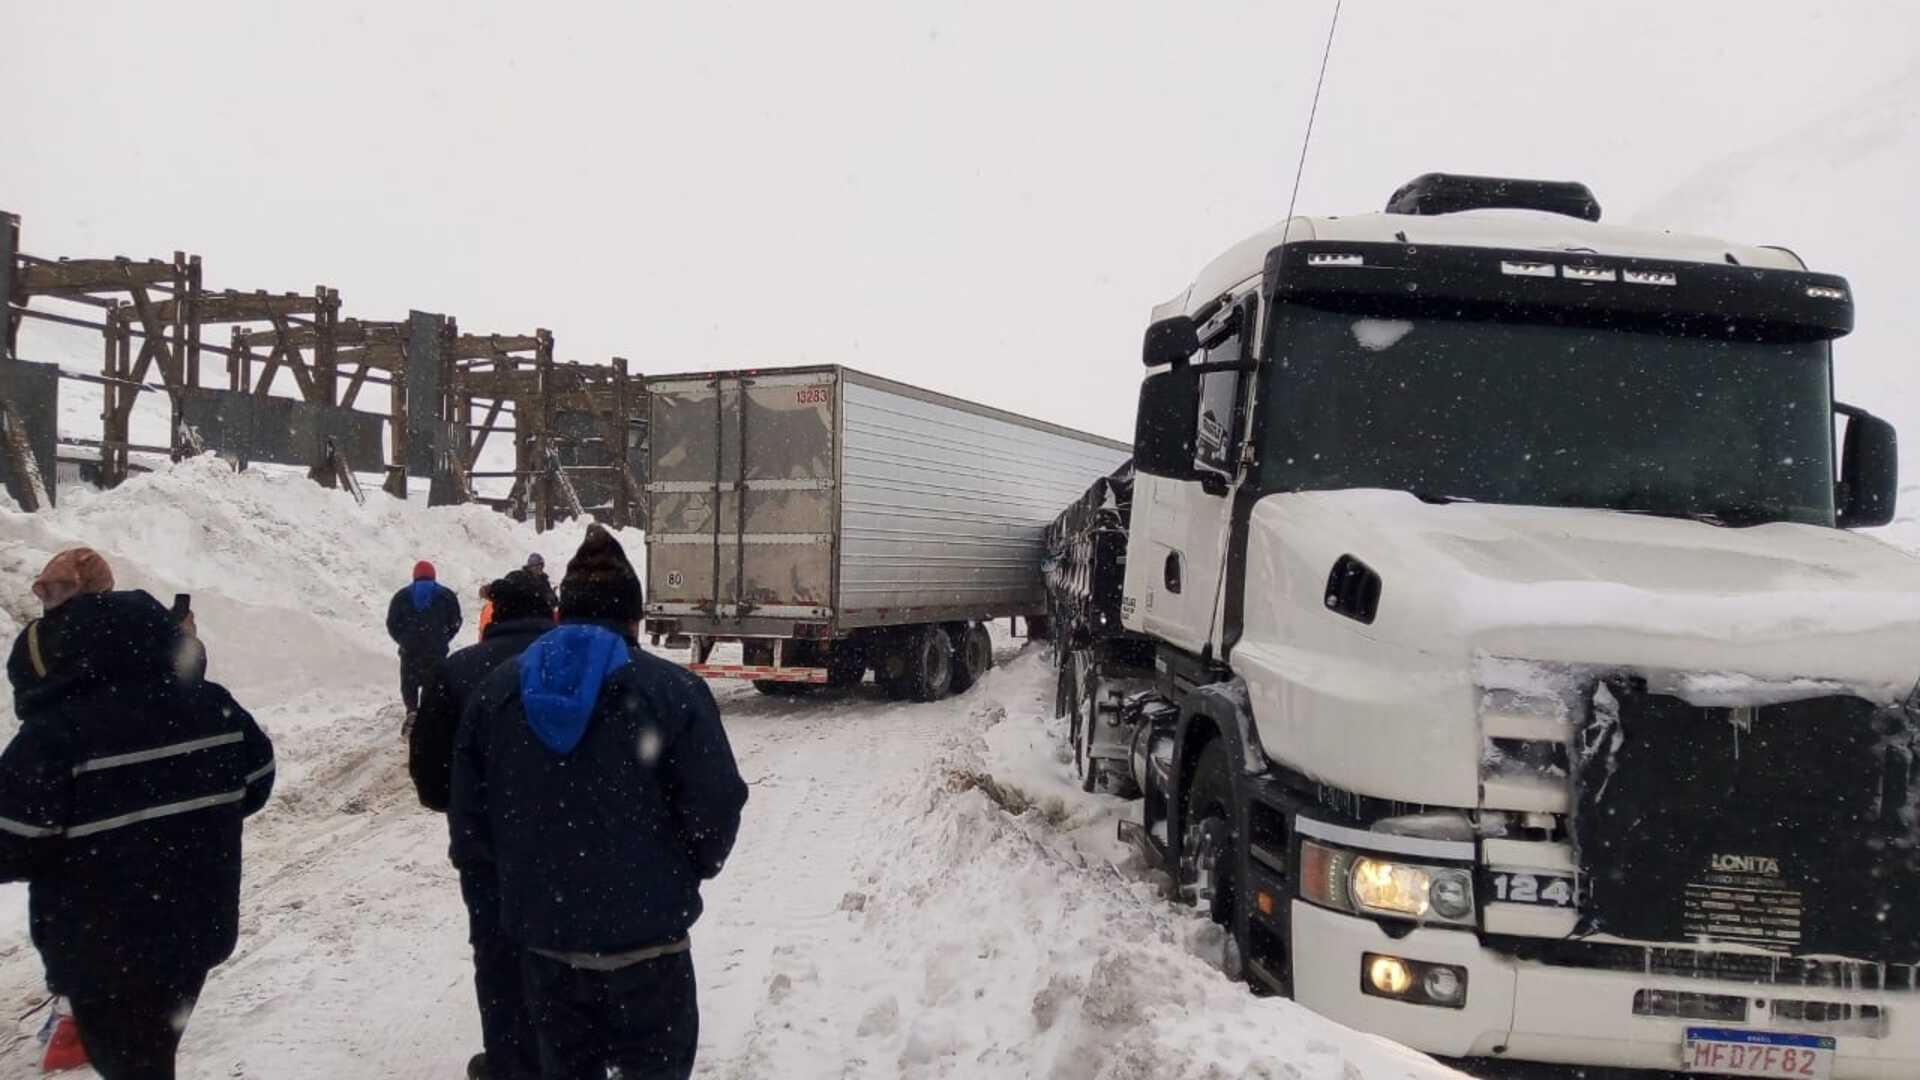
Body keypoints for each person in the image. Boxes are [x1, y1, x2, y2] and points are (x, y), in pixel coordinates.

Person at [452, 526, 746, 1080]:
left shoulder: (498, 693)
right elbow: (717, 804)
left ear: (561, 615)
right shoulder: (673, 691)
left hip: (547, 950)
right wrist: (681, 872)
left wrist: (517, 889)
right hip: (650, 949)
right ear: (633, 621)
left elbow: (470, 823)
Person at [0, 549, 275, 1080]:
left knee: (134, 1062)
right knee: (152, 1051)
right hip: (196, 930)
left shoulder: (55, 734)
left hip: (99, 951)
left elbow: (11, 842)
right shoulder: (211, 705)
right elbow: (256, 782)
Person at [409, 571, 556, 1080]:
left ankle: (510, 1063)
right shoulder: (576, 667)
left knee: (498, 961)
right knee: (569, 957)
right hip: (570, 845)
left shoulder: (458, 672)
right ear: (549, 611)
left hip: (488, 850)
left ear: (495, 613)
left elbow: (431, 781)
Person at [386, 560, 462, 729]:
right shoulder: (446, 595)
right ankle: (428, 717)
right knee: (433, 683)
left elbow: (392, 624)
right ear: (433, 575)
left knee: (409, 683)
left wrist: (403, 640)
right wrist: (443, 638)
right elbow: (455, 621)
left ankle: (412, 711)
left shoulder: (401, 596)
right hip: (436, 650)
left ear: (415, 576)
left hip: (410, 651)